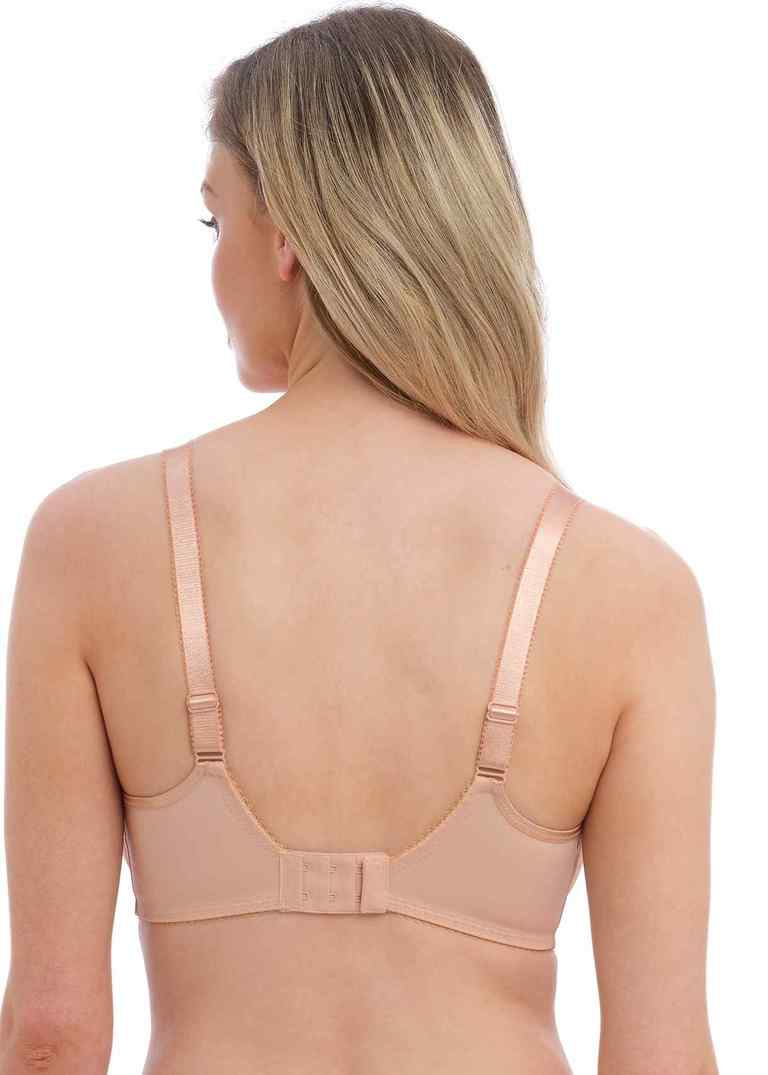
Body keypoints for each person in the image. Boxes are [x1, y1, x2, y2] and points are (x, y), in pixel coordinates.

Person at [0, 6, 718, 1073]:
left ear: (287, 234)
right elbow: (663, 1055)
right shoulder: (629, 589)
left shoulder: (91, 545)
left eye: (214, 219)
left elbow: (52, 1032)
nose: (214, 263)